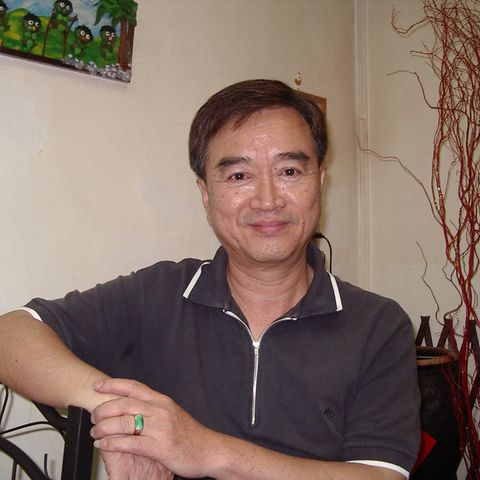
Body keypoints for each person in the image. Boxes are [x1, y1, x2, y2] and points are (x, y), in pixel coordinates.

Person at [0, 79, 421, 480]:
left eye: (290, 171)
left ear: (320, 182)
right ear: (205, 193)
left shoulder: (378, 325)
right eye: (239, 176)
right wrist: (128, 415)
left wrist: (207, 450)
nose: (268, 199)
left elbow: (381, 474)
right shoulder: (158, 294)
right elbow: (11, 335)